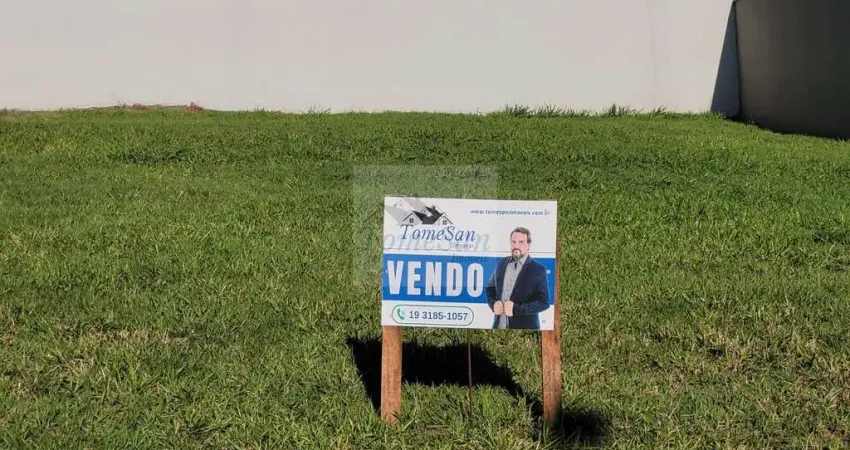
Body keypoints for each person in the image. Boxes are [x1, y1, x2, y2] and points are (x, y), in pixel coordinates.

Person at [485, 227, 550, 329]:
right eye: (513, 242)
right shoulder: (501, 263)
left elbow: (544, 302)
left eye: (521, 242)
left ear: (528, 245)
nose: (516, 246)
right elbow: (490, 288)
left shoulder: (538, 269)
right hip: (498, 327)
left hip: (524, 330)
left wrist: (516, 309)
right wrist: (493, 304)